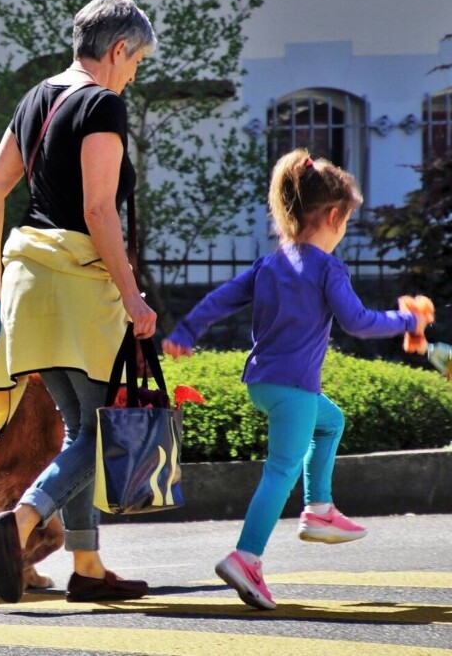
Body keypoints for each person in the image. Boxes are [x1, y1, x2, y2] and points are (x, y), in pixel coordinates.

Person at [162, 148, 432, 610]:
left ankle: (319, 508)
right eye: (346, 220)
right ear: (332, 215)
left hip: (262, 384)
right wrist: (407, 321)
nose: (344, 229)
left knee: (331, 422)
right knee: (281, 470)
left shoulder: (270, 264)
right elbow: (358, 321)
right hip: (294, 389)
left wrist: (186, 331)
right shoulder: (328, 268)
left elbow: (221, 297)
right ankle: (246, 556)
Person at [0, 0, 158, 604]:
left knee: (81, 429)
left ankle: (89, 569)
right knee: (103, 434)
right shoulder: (101, 104)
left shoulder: (35, 98)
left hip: (28, 283)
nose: (133, 74)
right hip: (79, 283)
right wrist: (133, 297)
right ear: (119, 48)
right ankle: (20, 522)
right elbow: (98, 209)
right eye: (137, 62)